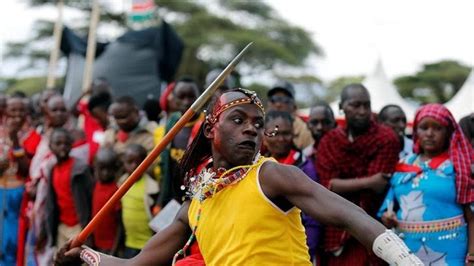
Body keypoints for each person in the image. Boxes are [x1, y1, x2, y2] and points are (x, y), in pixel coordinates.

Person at [54, 88, 422, 266]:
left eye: (258, 124)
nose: (251, 130)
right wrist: (85, 256)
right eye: (238, 120)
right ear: (212, 129)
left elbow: (349, 215)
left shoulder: (273, 177)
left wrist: (406, 261)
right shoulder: (196, 202)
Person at [378, 103, 474, 265]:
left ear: (448, 132)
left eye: (437, 128)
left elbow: (472, 216)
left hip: (451, 253)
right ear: (416, 131)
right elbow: (388, 207)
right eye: (424, 128)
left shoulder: (459, 166)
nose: (430, 134)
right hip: (407, 251)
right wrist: (387, 217)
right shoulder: (403, 164)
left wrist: (472, 257)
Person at [316, 83, 401, 265]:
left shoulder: (386, 138)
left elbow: (378, 187)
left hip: (372, 225)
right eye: (356, 105)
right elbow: (326, 188)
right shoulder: (330, 141)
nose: (362, 111)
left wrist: (340, 184)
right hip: (334, 227)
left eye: (366, 105)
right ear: (341, 107)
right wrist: (368, 181)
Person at [262, 110, 320, 263]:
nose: (281, 139)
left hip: (296, 250)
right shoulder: (255, 166)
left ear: (294, 134)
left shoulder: (305, 167)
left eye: (286, 133)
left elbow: (313, 217)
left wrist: (307, 251)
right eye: (275, 133)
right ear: (264, 135)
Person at [154, 77, 202, 208]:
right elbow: (165, 163)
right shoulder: (172, 121)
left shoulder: (206, 124)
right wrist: (160, 201)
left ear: (201, 96)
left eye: (192, 96)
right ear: (173, 98)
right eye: (181, 96)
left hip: (196, 196)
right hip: (171, 195)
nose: (186, 102)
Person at [43, 128, 94, 249]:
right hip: (62, 226)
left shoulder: (81, 169)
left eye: (66, 143)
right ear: (51, 146)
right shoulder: (52, 170)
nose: (62, 147)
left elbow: (91, 197)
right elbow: (51, 203)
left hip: (79, 226)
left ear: (72, 145)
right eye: (58, 144)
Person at [119, 144, 159, 258]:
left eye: (139, 162)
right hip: (129, 241)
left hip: (147, 243)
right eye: (129, 162)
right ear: (123, 163)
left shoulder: (152, 187)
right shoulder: (121, 183)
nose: (134, 166)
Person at [267, 81, 313, 150]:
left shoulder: (304, 132)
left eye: (284, 100)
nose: (278, 104)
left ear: (294, 106)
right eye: (274, 99)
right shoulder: (259, 126)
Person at [91, 148, 121, 254]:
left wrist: (114, 250)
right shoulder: (95, 185)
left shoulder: (115, 191)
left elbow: (119, 224)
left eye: (109, 169)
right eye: (101, 169)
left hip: (110, 246)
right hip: (96, 244)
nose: (105, 173)